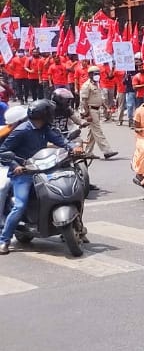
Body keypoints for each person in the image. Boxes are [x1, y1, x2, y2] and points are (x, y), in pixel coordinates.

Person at [0, 99, 72, 255]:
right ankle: (4, 240)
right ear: (44, 115)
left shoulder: (45, 128)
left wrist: (73, 147)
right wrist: (15, 166)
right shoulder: (21, 131)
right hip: (24, 174)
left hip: (43, 170)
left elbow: (60, 141)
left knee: (63, 191)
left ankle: (74, 227)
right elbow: (3, 151)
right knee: (20, 205)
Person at [78, 67, 117, 159]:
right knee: (98, 131)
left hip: (97, 110)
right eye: (95, 74)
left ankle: (88, 152)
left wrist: (106, 107)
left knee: (92, 132)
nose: (97, 76)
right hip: (91, 111)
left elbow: (99, 98)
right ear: (90, 75)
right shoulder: (86, 86)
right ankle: (107, 151)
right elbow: (83, 101)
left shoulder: (96, 84)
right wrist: (87, 115)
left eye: (98, 73)